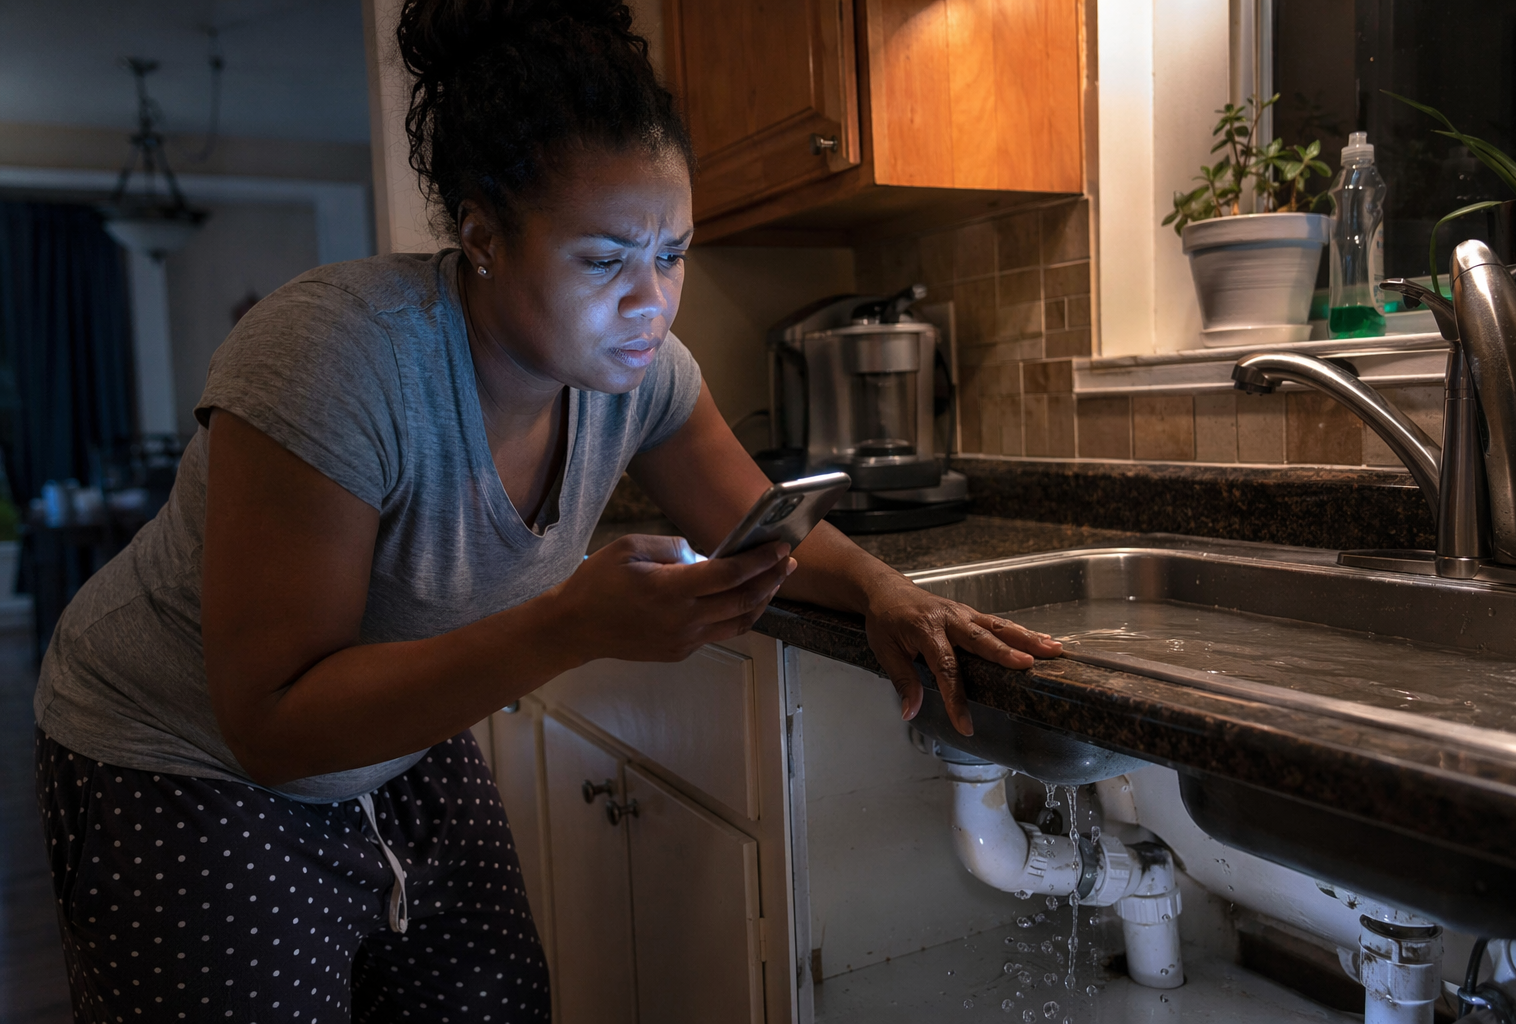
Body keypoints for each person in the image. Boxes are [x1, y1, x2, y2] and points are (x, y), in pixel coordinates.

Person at [32, 1, 1062, 1020]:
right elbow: (271, 722)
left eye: (674, 253)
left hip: (397, 736)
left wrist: (883, 589)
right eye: (605, 259)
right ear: (483, 235)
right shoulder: (334, 360)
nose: (652, 302)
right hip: (181, 759)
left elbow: (751, 508)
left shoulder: (645, 374)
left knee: (496, 1002)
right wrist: (569, 624)